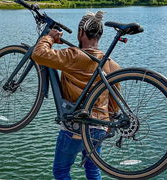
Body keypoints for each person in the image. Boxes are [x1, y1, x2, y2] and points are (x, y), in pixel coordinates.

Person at [31, 11, 120, 180]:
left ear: (80, 33)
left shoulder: (73, 55)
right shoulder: (111, 64)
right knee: (93, 170)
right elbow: (115, 100)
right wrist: (109, 122)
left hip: (74, 127)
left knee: (61, 171)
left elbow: (39, 54)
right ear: (99, 35)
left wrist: (49, 38)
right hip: (99, 126)